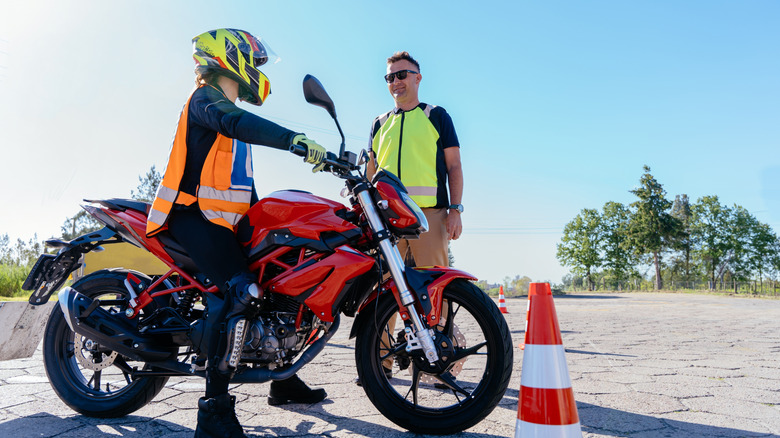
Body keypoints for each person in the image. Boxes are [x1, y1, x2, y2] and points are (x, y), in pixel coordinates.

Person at [145, 29, 327, 438]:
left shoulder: (230, 119)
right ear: (230, 59)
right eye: (255, 62)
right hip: (189, 216)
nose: (259, 71)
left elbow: (242, 191)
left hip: (222, 222)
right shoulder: (207, 101)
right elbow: (236, 121)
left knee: (280, 279)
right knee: (244, 292)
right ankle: (213, 413)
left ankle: (283, 379)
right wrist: (292, 139)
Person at [365, 51, 464, 378]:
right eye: (390, 77)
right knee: (381, 294)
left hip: (429, 218)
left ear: (418, 78)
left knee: (436, 290)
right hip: (386, 222)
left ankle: (439, 364)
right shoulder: (380, 123)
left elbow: (454, 166)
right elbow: (369, 174)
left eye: (402, 75)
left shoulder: (437, 116)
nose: (395, 82)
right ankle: (381, 365)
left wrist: (455, 210)